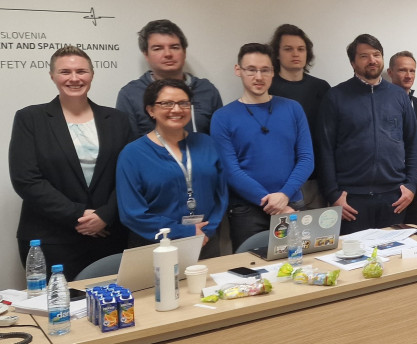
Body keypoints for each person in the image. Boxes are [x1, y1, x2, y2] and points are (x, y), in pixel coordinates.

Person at [11, 46, 133, 280]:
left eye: (81, 71)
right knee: (58, 311)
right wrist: (79, 215)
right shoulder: (30, 118)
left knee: (110, 310)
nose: (74, 78)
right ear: (52, 76)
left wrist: (105, 215)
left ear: (92, 74)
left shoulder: (117, 119)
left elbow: (129, 176)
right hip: (51, 238)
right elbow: (26, 179)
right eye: (65, 72)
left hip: (108, 234)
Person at [210, 43, 314, 251]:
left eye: (265, 70)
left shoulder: (293, 109)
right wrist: (272, 203)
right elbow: (231, 171)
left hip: (291, 202)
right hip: (247, 211)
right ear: (238, 70)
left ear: (273, 72)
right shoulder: (223, 117)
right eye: (251, 70)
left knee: (299, 268)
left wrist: (284, 196)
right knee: (253, 275)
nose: (258, 77)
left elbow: (306, 158)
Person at [317, 34, 417, 235]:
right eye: (364, 56)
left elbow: (413, 143)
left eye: (376, 54)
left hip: (394, 197)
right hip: (351, 200)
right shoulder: (336, 97)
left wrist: (411, 185)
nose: (372, 60)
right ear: (353, 62)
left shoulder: (399, 95)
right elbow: (325, 149)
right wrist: (333, 194)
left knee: (393, 261)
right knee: (354, 263)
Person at [116, 79, 227, 252]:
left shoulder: (207, 144)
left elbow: (221, 195)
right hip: (157, 245)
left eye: (183, 103)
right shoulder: (132, 154)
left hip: (205, 240)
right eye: (167, 103)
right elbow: (132, 213)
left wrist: (206, 230)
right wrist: (183, 231)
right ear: (150, 110)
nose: (176, 109)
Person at [116, 19, 222, 136]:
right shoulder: (130, 94)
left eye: (174, 47)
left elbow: (219, 139)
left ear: (184, 52)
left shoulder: (207, 90)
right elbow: (128, 144)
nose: (168, 54)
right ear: (146, 54)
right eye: (158, 48)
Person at [268, 24, 331, 210]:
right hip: (279, 181)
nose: (295, 54)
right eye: (288, 49)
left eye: (300, 49)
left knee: (316, 238)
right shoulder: (267, 88)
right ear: (277, 54)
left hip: (315, 179)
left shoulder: (322, 88)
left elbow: (328, 136)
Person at [386, 51, 417, 227]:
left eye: (412, 71)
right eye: (403, 70)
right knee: (393, 230)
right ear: (390, 72)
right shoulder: (384, 102)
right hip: (393, 179)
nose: (408, 75)